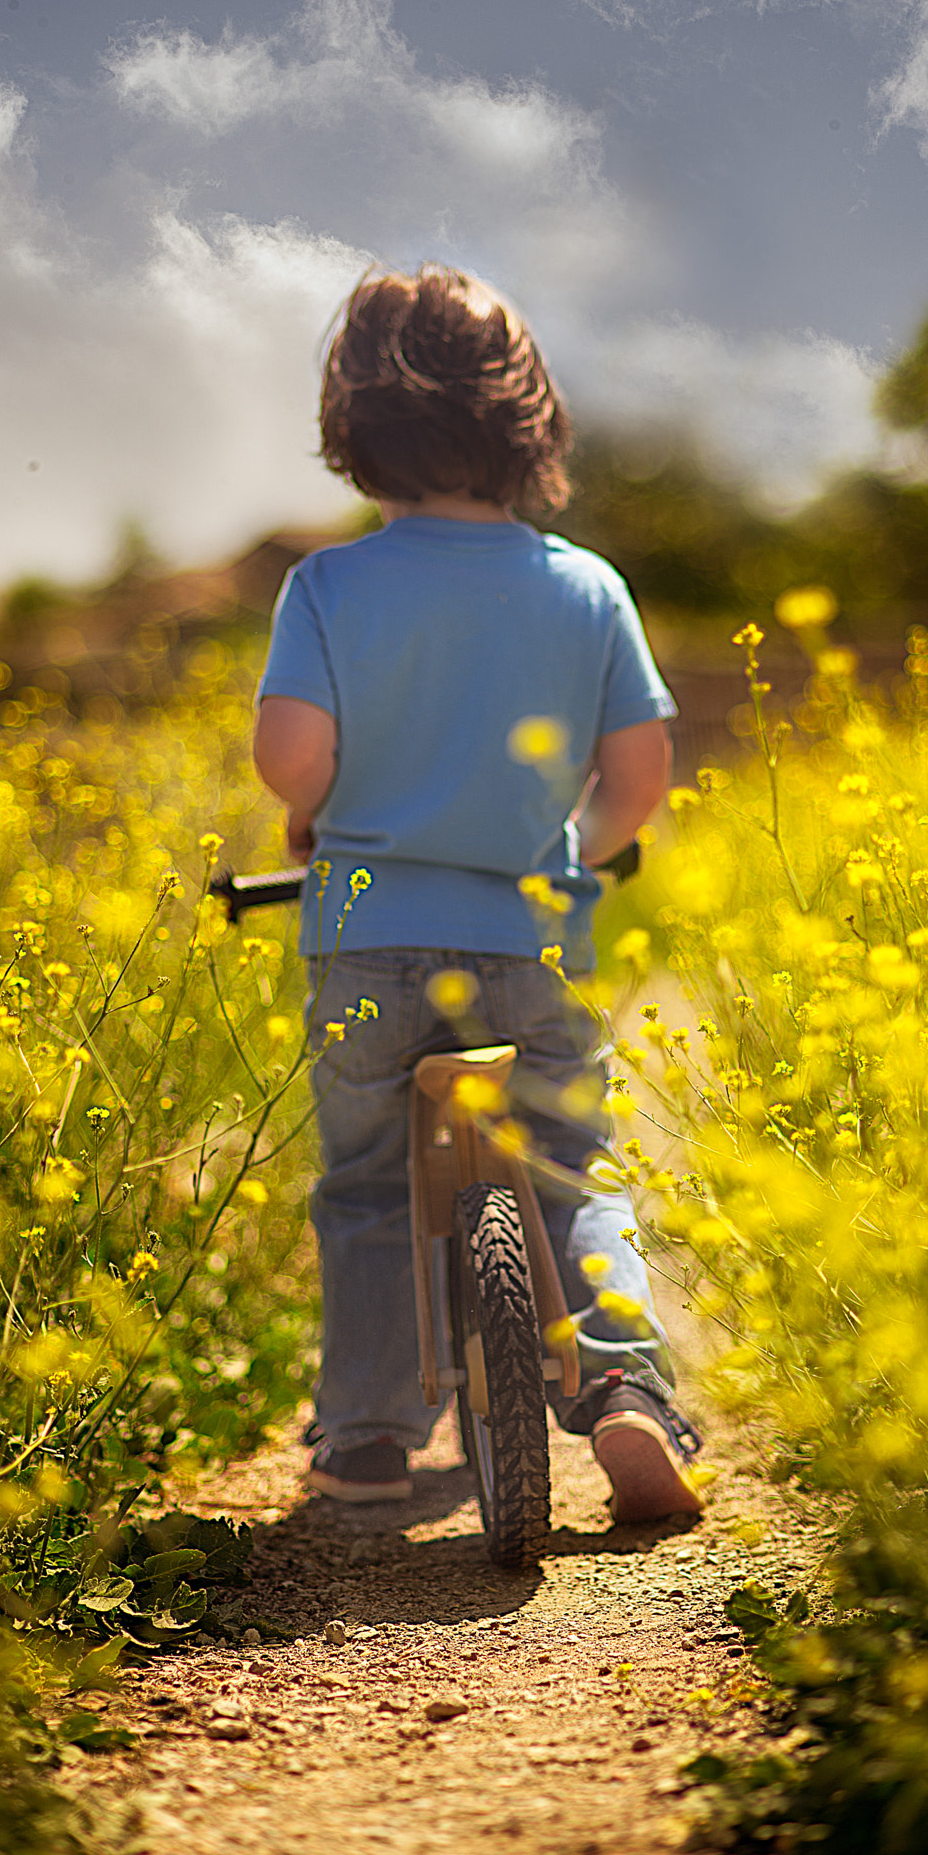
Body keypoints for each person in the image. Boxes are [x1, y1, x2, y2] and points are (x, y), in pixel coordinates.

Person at [252, 263, 702, 1521]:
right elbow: (636, 776)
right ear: (530, 421)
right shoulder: (584, 586)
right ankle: (622, 1385)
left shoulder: (328, 588)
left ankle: (369, 1434)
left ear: (355, 423)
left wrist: (309, 816)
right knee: (569, 1158)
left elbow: (297, 761)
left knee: (365, 1185)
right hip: (529, 939)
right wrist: (589, 849)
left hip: (366, 942)